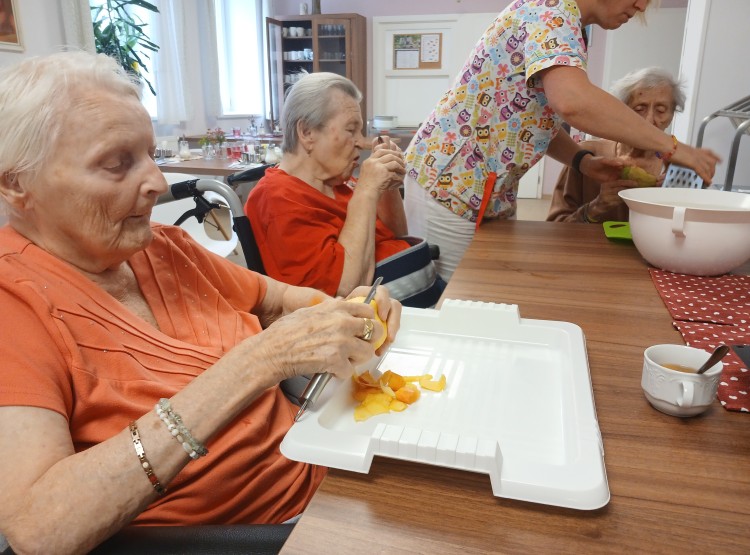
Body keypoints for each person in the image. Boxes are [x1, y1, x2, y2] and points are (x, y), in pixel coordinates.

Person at [0, 52, 401, 554]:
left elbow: (280, 300)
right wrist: (258, 361)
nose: (158, 183)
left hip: (324, 472)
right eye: (116, 163)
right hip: (255, 537)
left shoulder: (165, 247)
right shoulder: (12, 301)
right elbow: (40, 529)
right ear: (16, 184)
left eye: (149, 154)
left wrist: (356, 311)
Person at [403, 0, 721, 280]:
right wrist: (672, 147)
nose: (640, 6)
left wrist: (583, 161)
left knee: (484, 293)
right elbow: (573, 101)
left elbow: (533, 118)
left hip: (483, 190)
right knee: (456, 303)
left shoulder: (564, 23)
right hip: (451, 186)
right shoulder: (550, 12)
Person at [244, 72, 445, 308]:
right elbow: (344, 290)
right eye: (351, 130)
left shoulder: (337, 183)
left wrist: (388, 187)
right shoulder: (277, 197)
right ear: (307, 132)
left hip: (418, 293)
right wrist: (367, 190)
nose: (362, 142)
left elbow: (395, 235)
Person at [547, 66, 685, 223]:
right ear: (621, 111)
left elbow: (692, 232)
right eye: (639, 109)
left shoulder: (679, 169)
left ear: (672, 115)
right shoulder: (586, 156)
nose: (649, 120)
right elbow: (555, 225)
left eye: (660, 110)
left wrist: (674, 203)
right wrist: (595, 207)